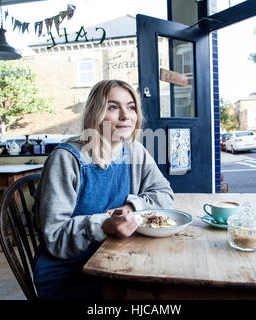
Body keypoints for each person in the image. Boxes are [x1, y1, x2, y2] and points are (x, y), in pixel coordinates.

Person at [32, 80, 175, 300]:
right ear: (95, 113)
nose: (126, 116)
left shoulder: (135, 151)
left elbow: (164, 193)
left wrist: (131, 206)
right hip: (68, 273)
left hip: (116, 260)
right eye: (112, 107)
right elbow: (55, 235)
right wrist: (105, 225)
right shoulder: (66, 159)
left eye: (131, 107)